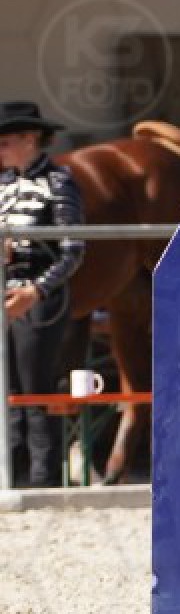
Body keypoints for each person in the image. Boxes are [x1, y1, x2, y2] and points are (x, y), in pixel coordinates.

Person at [0, 101, 84, 489]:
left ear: (29, 139)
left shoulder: (58, 182)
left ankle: (42, 479)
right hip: (5, 293)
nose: (0, 150)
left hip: (40, 298)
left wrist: (35, 291)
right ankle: (12, 475)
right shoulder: (3, 184)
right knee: (8, 389)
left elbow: (73, 250)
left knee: (35, 388)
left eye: (5, 142)